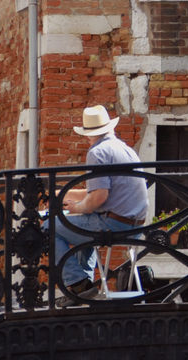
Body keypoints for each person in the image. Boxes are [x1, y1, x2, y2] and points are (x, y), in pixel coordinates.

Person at [51, 105, 148, 301]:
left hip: (114, 225)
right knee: (85, 220)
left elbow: (99, 197)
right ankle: (83, 286)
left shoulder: (97, 152)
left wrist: (76, 209)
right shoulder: (124, 148)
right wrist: (63, 194)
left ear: (88, 134)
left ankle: (77, 284)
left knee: (49, 227)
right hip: (135, 225)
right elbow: (99, 192)